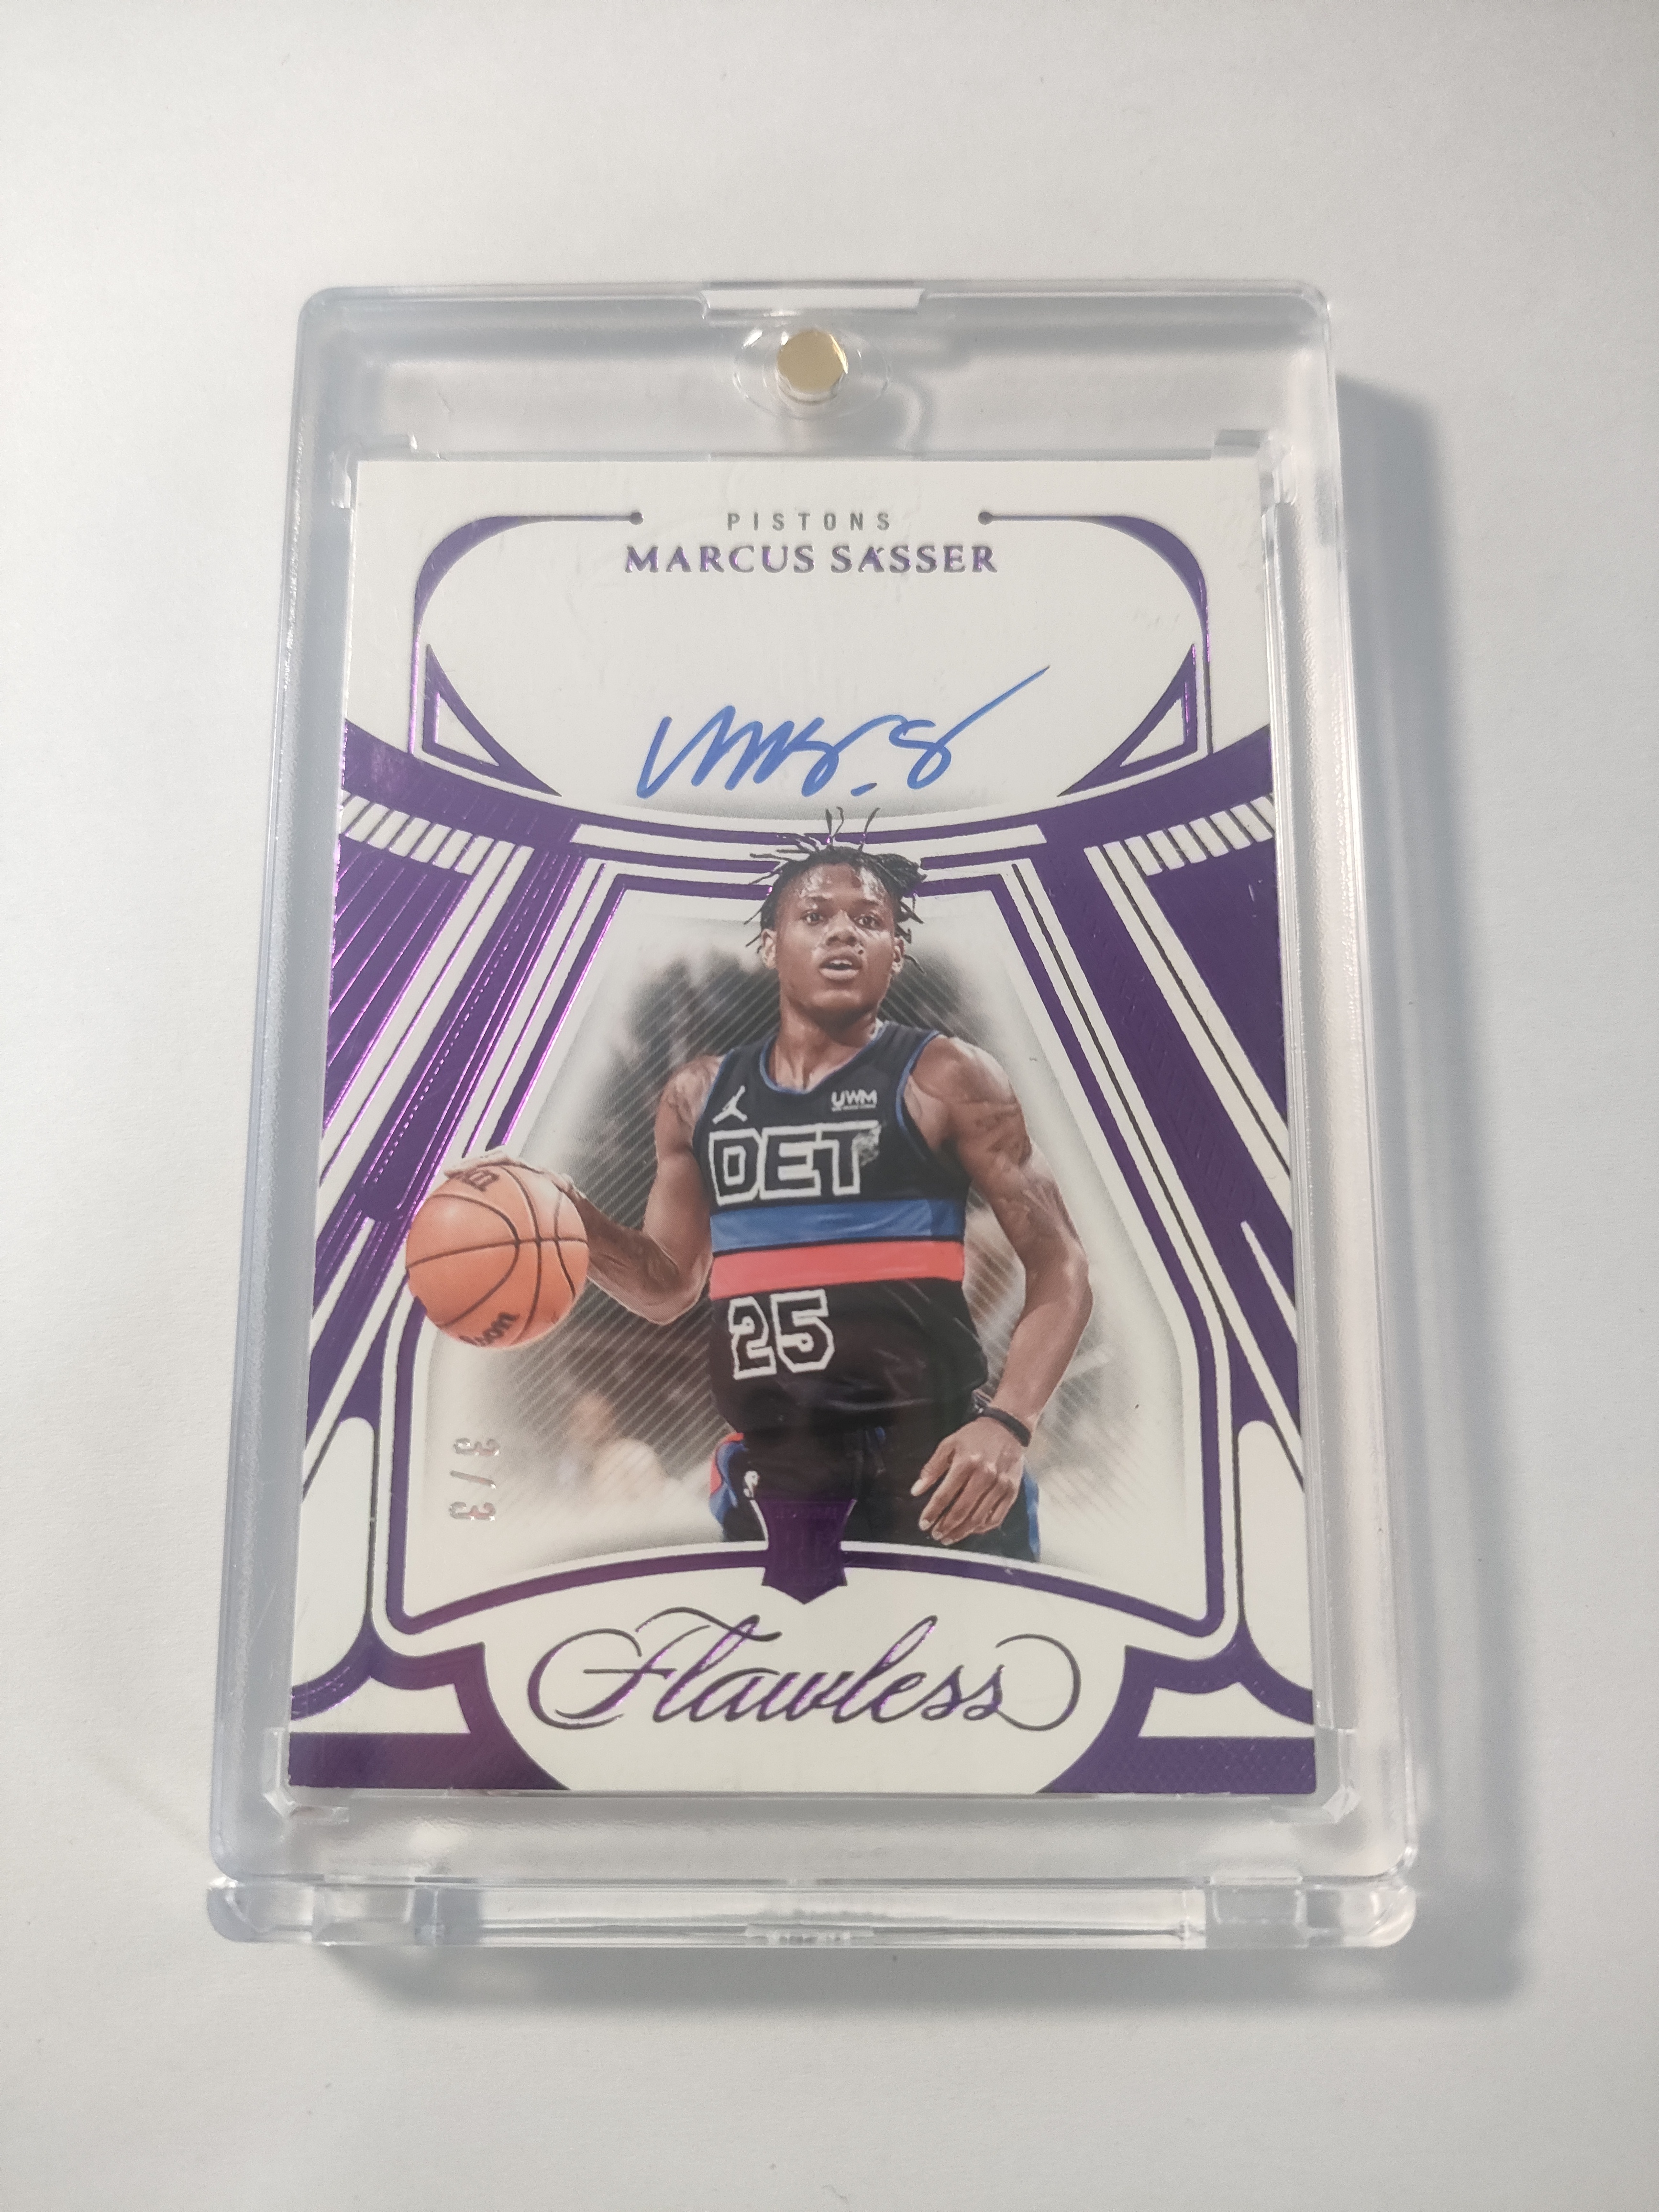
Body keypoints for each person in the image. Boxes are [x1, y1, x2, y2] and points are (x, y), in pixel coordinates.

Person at [541, 831, 1093, 1595]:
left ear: (896, 953)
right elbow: (667, 1288)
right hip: (779, 1467)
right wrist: (566, 1216)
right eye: (815, 915)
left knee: (963, 1667)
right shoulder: (697, 1097)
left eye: (869, 920)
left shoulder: (947, 1076)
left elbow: (1061, 1263)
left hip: (934, 1460)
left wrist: (1010, 1421)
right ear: (772, 944)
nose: (843, 932)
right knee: (774, 1669)